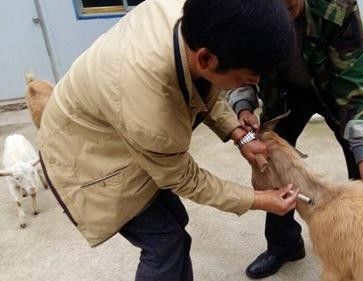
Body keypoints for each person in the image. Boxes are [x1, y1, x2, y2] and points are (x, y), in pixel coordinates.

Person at [37, 0, 299, 280]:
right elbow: (185, 179)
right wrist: (259, 200)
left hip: (117, 127)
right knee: (164, 244)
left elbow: (201, 86)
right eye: (243, 80)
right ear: (206, 58)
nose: (247, 88)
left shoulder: (194, 18)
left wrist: (240, 134)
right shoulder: (151, 110)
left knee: (176, 224)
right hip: (88, 159)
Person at [227, 0, 363, 278]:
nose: (282, 15)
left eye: (289, 7)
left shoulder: (337, 6)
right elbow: (239, 68)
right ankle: (284, 245)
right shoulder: (244, 12)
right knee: (272, 163)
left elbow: (357, 86)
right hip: (284, 92)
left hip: (339, 87)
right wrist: (244, 107)